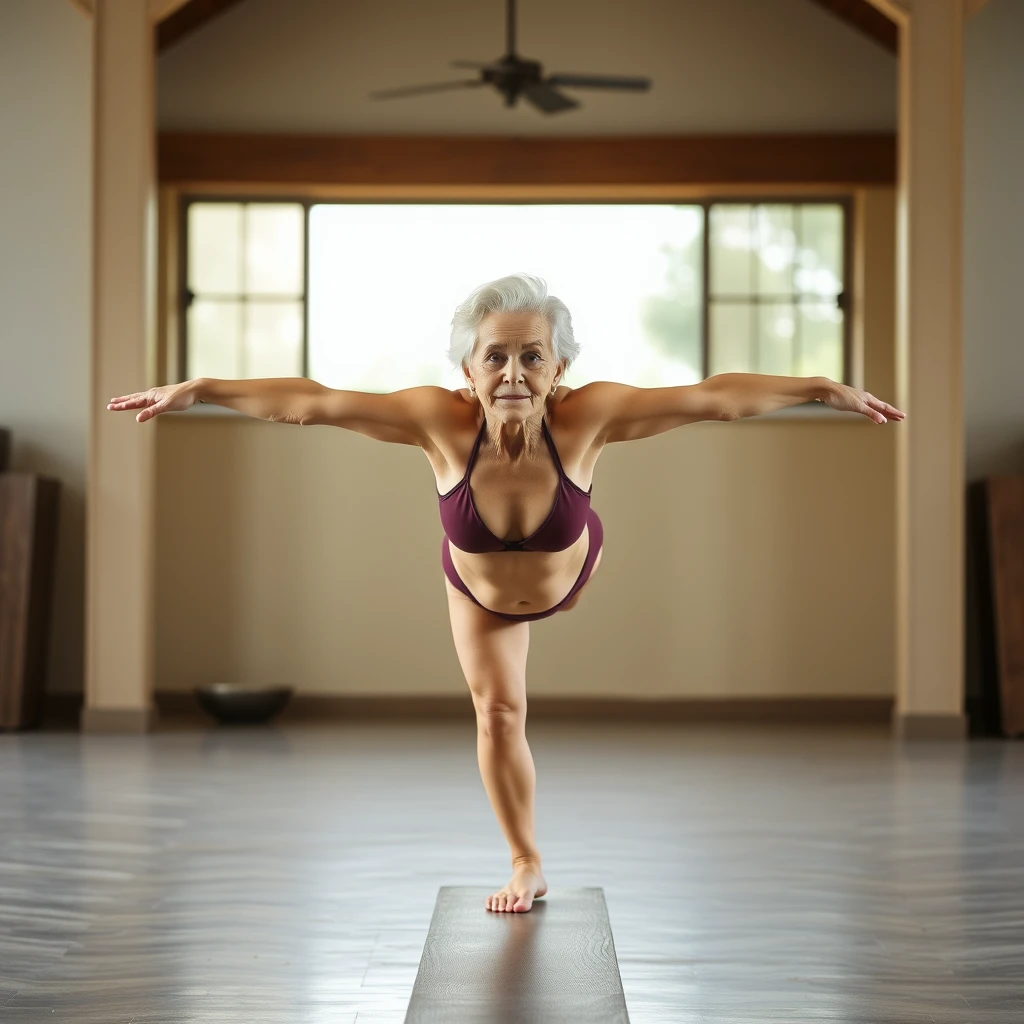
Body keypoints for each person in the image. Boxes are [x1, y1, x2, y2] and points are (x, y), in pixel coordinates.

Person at [107, 272, 905, 914]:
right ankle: (527, 861)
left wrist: (820, 386)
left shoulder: (590, 416)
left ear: (559, 369)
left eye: (532, 357)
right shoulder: (438, 422)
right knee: (498, 713)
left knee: (539, 627)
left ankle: (562, 607)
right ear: (467, 369)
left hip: (570, 569)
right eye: (496, 357)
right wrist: (203, 385)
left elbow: (714, 399)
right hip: (479, 591)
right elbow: (313, 404)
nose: (514, 373)